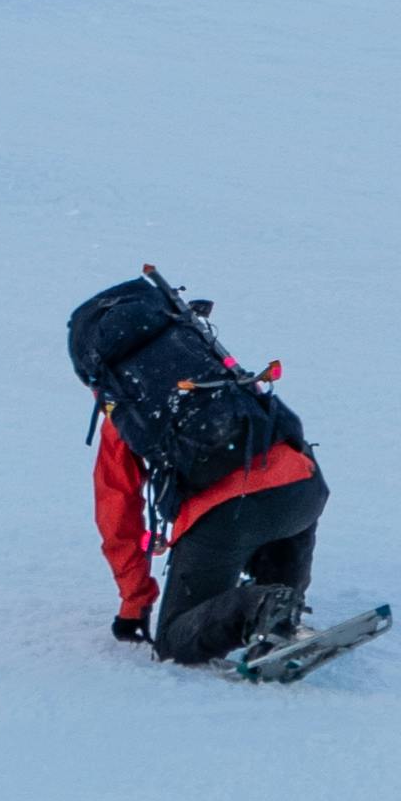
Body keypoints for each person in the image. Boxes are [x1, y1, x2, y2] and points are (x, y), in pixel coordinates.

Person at [71, 272, 329, 665]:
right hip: (303, 490)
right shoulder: (213, 370)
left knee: (176, 643)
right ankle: (279, 614)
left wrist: (134, 604)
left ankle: (265, 610)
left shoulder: (130, 412)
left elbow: (117, 512)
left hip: (230, 517)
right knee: (270, 539)